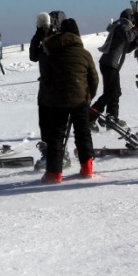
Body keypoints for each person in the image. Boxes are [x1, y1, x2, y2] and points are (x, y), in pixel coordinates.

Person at [39, 18, 99, 183]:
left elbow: (46, 80)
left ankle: (54, 173)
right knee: (83, 133)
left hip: (57, 102)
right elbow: (94, 79)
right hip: (81, 101)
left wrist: (52, 96)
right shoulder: (84, 54)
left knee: (56, 136)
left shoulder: (52, 53)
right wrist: (88, 97)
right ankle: (87, 168)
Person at [29, 11, 71, 170]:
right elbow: (33, 56)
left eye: (48, 25)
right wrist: (38, 35)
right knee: (44, 122)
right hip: (45, 87)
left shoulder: (61, 39)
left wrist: (50, 37)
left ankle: (61, 154)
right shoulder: (41, 40)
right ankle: (48, 154)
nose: (45, 28)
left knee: (57, 123)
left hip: (58, 86)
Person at [90, 8, 138, 131]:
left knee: (115, 91)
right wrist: (136, 30)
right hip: (109, 64)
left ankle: (111, 117)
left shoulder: (120, 27)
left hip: (110, 64)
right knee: (111, 92)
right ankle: (90, 115)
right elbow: (128, 37)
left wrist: (136, 43)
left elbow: (126, 47)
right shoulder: (122, 26)